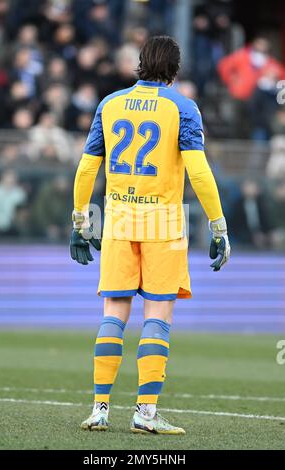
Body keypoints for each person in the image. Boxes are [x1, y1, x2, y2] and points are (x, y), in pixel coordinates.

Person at [70, 36, 230, 435]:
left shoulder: (110, 103)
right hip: (163, 225)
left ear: (139, 64)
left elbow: (88, 168)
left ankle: (100, 409)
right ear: (175, 71)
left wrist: (79, 221)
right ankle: (145, 413)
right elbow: (199, 172)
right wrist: (218, 224)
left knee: (113, 315)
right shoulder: (183, 107)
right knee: (157, 318)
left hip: (119, 222)